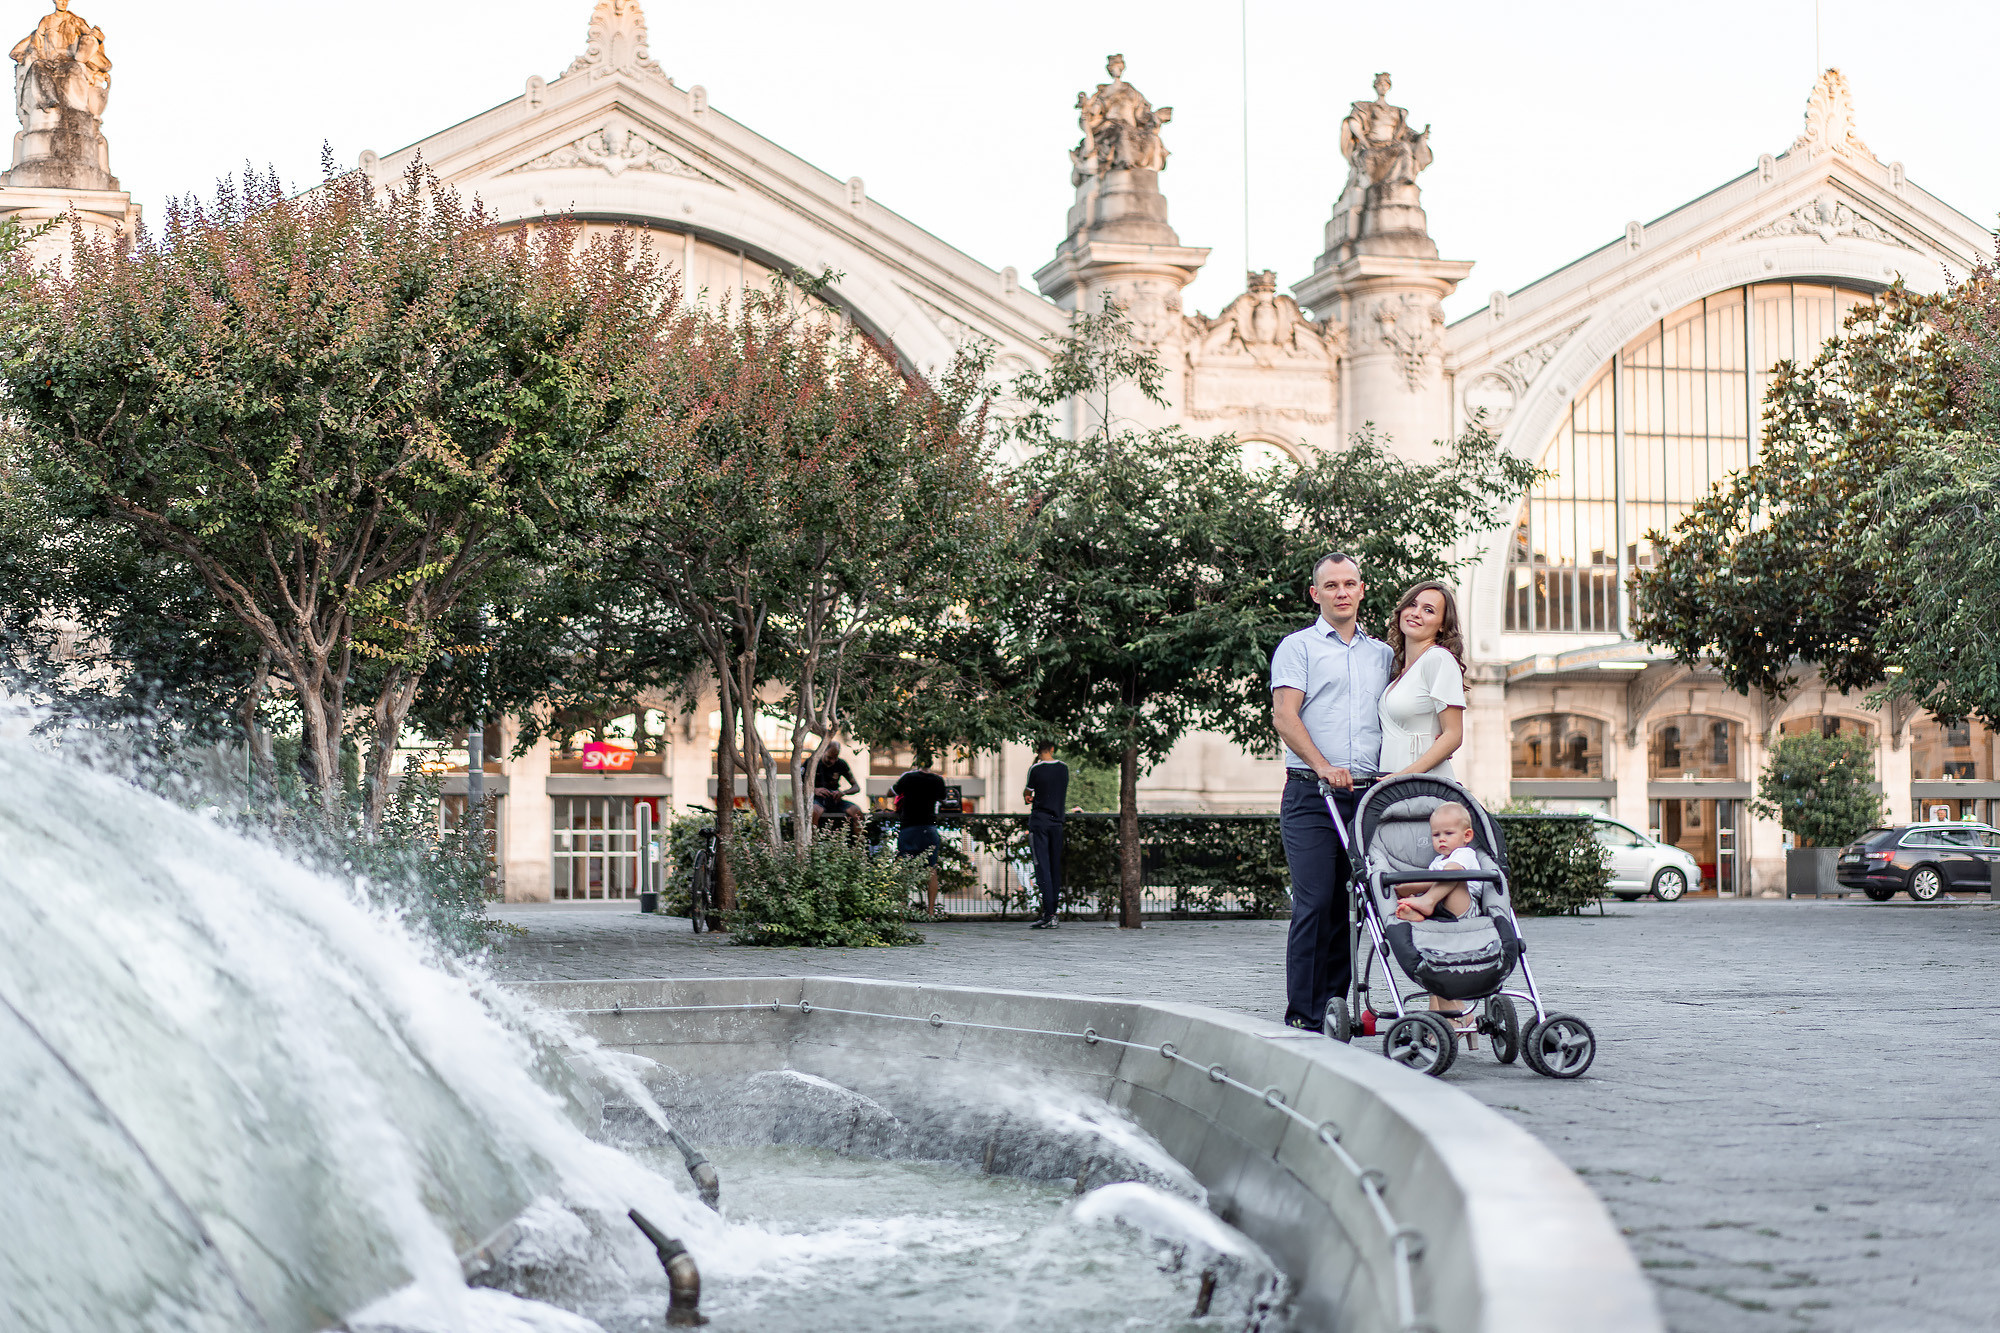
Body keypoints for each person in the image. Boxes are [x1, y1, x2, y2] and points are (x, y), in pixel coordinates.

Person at [1269, 552, 1393, 1033]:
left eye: (1350, 583)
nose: (1342, 592)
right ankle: (1303, 1010)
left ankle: (1335, 1007)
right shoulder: (1297, 648)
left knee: (1354, 901)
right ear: (1315, 593)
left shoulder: (1382, 654)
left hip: (1367, 797)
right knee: (1316, 900)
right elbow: (1284, 715)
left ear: (1362, 590)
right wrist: (1323, 767)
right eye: (1331, 585)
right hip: (1311, 794)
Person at [1380, 581, 1467, 781]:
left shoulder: (1438, 659)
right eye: (1412, 604)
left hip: (1420, 785)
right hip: (1391, 786)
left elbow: (1454, 735)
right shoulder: (1398, 670)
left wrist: (1403, 777)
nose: (1416, 613)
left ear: (1442, 625)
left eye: (1428, 610)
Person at [1395, 803, 1481, 923]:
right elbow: (1433, 886)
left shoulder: (1465, 853)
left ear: (1466, 836)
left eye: (1448, 833)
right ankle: (1418, 913)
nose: (1441, 839)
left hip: (1463, 906)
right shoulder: (1437, 861)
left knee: (1453, 872)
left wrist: (1413, 886)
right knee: (1414, 893)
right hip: (1439, 906)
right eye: (1436, 834)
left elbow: (1442, 878)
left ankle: (1427, 901)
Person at [891, 754, 950, 917]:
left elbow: (891, 793)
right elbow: (944, 799)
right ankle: (930, 912)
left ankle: (902, 911)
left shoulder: (908, 777)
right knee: (931, 870)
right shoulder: (938, 780)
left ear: (915, 763)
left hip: (909, 827)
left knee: (904, 869)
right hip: (929, 828)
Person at [1022, 741, 1069, 929]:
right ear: (1052, 749)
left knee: (1042, 867)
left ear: (1037, 750)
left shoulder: (1035, 769)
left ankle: (1048, 913)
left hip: (1040, 821)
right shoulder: (1063, 768)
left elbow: (1027, 795)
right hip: (1057, 823)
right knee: (1054, 867)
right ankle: (1053, 913)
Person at [811, 741, 864, 840]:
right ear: (824, 751)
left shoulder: (841, 764)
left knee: (857, 812)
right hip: (818, 799)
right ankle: (813, 846)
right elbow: (799, 785)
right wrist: (814, 790)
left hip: (835, 799)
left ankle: (859, 848)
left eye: (835, 757)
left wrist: (843, 793)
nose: (833, 761)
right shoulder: (812, 762)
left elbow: (856, 787)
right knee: (813, 812)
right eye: (830, 757)